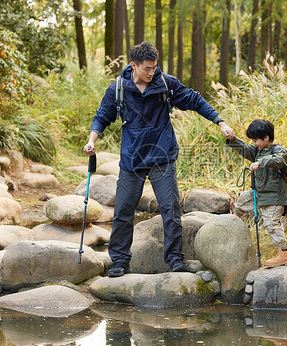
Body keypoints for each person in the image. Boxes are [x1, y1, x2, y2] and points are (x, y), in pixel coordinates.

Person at [84, 42, 235, 277]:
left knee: (170, 208)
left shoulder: (166, 84)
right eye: (147, 68)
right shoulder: (118, 88)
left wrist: (220, 122)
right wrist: (92, 140)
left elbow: (194, 100)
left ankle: (175, 258)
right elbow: (102, 116)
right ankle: (120, 261)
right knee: (123, 210)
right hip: (132, 160)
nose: (152, 72)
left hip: (162, 157)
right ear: (133, 65)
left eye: (154, 67)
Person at [226, 119, 287, 267]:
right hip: (259, 193)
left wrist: (260, 163)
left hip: (275, 197)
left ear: (267, 138)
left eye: (256, 140)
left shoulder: (280, 151)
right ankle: (232, 227)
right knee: (242, 201)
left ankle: (284, 255)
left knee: (271, 224)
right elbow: (244, 149)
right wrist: (233, 139)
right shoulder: (257, 151)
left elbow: (280, 160)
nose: (254, 143)